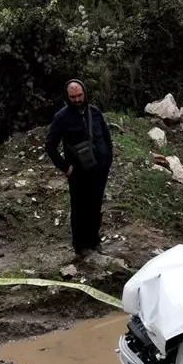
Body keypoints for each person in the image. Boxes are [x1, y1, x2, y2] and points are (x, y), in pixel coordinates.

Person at [45, 79, 114, 257]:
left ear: (85, 93)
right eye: (73, 97)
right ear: (67, 97)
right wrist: (65, 167)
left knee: (95, 205)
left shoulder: (95, 112)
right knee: (79, 208)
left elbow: (106, 137)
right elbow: (50, 145)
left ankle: (94, 240)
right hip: (78, 171)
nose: (77, 99)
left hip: (99, 169)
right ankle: (80, 245)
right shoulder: (61, 117)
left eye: (79, 95)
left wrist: (108, 159)